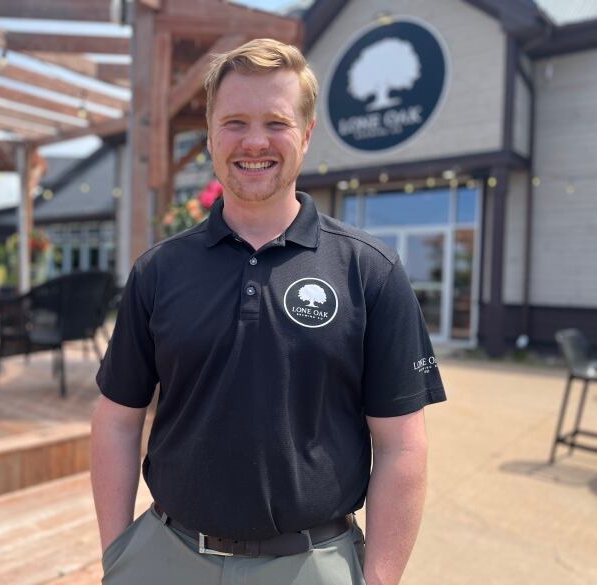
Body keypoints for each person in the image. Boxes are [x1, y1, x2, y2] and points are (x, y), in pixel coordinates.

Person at [91, 38, 446, 585]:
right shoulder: (158, 272)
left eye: (276, 122)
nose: (254, 141)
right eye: (234, 122)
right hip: (165, 557)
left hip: (310, 563)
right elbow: (117, 420)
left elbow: (402, 444)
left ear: (305, 135)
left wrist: (379, 579)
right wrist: (118, 554)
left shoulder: (370, 270)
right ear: (210, 135)